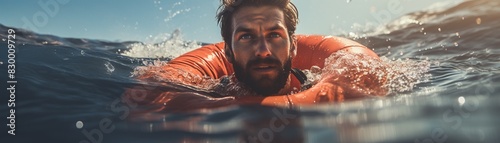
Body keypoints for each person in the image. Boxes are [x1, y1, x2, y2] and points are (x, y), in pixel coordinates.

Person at [124, 0, 387, 112]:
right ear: (228, 50)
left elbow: (367, 75)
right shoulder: (210, 91)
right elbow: (147, 96)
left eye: (274, 35)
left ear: (293, 47)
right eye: (246, 37)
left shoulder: (315, 80)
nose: (263, 51)